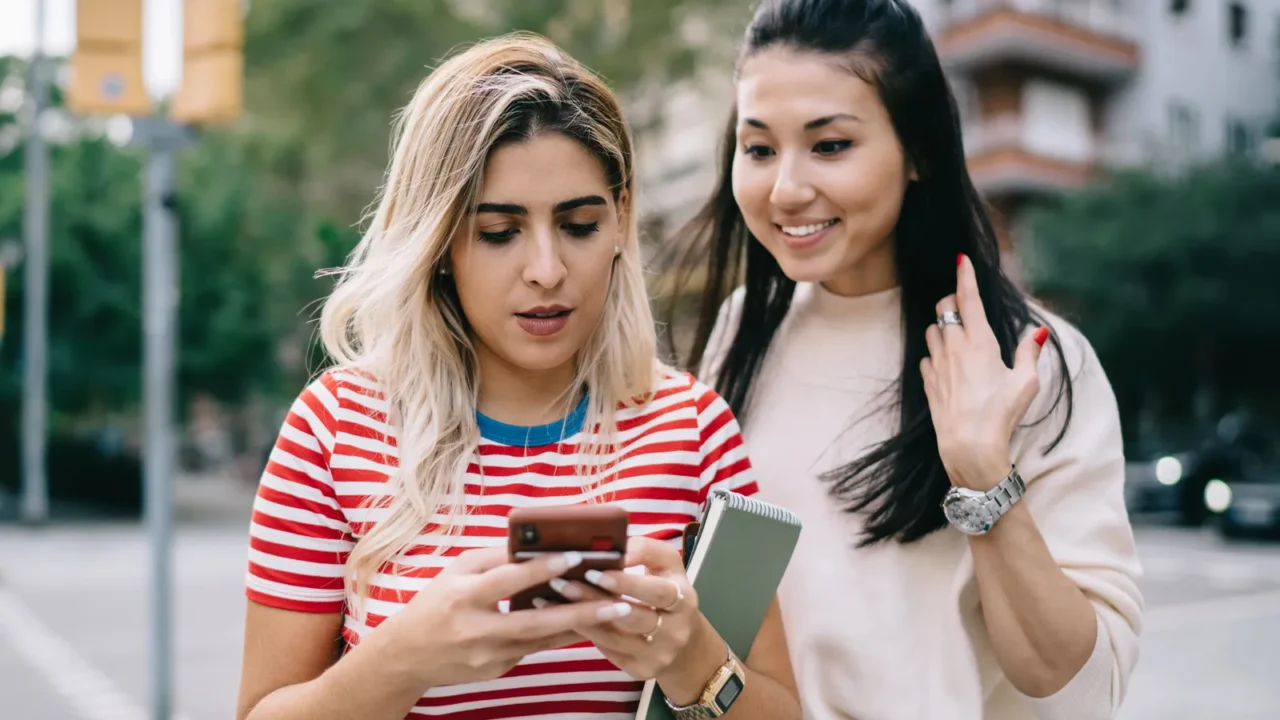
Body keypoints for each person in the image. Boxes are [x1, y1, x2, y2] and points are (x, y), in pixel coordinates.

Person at [235, 33, 800, 720]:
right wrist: (404, 658)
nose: (546, 271)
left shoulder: (694, 429)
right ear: (439, 240)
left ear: (621, 218)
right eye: (499, 232)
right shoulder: (333, 430)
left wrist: (692, 659)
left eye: (579, 225)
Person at [662, 1, 1143, 719]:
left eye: (830, 146)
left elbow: (1078, 684)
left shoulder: (1029, 363)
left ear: (917, 150)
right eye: (759, 149)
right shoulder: (738, 335)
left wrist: (984, 478)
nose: (786, 188)